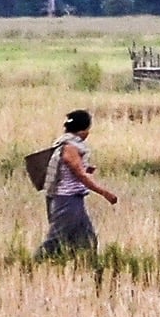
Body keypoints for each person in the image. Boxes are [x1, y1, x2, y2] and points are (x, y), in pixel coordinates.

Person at [36, 109, 118, 259]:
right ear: (84, 130)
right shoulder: (70, 147)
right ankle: (36, 263)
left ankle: (85, 265)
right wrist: (105, 193)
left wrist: (86, 168)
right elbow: (80, 175)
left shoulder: (65, 144)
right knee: (56, 239)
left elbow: (72, 170)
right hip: (66, 200)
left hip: (75, 199)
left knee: (87, 240)